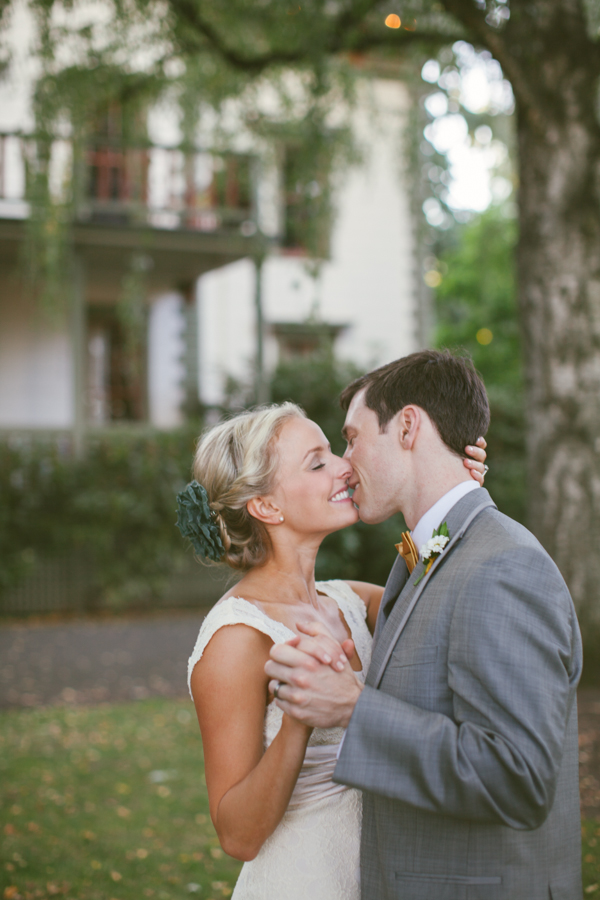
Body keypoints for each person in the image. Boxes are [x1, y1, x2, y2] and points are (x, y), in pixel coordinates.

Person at [266, 349, 583, 900]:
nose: (345, 461)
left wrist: (352, 707)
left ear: (408, 426)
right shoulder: (434, 550)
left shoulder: (502, 567)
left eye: (353, 438)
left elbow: (519, 778)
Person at [181, 399, 487, 900]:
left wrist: (454, 494)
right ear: (267, 506)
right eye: (318, 461)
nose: (346, 466)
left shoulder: (351, 600)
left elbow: (445, 595)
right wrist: (300, 719)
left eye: (336, 451)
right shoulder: (236, 640)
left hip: (386, 877)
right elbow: (237, 835)